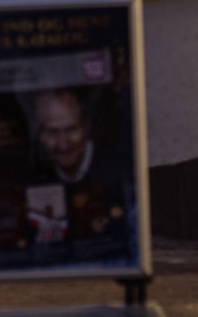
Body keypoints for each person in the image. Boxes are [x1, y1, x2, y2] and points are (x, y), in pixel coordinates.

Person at [24, 87, 133, 252]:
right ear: (40, 134)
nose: (63, 144)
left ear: (86, 126)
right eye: (52, 132)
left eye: (71, 129)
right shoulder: (34, 178)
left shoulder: (120, 171)